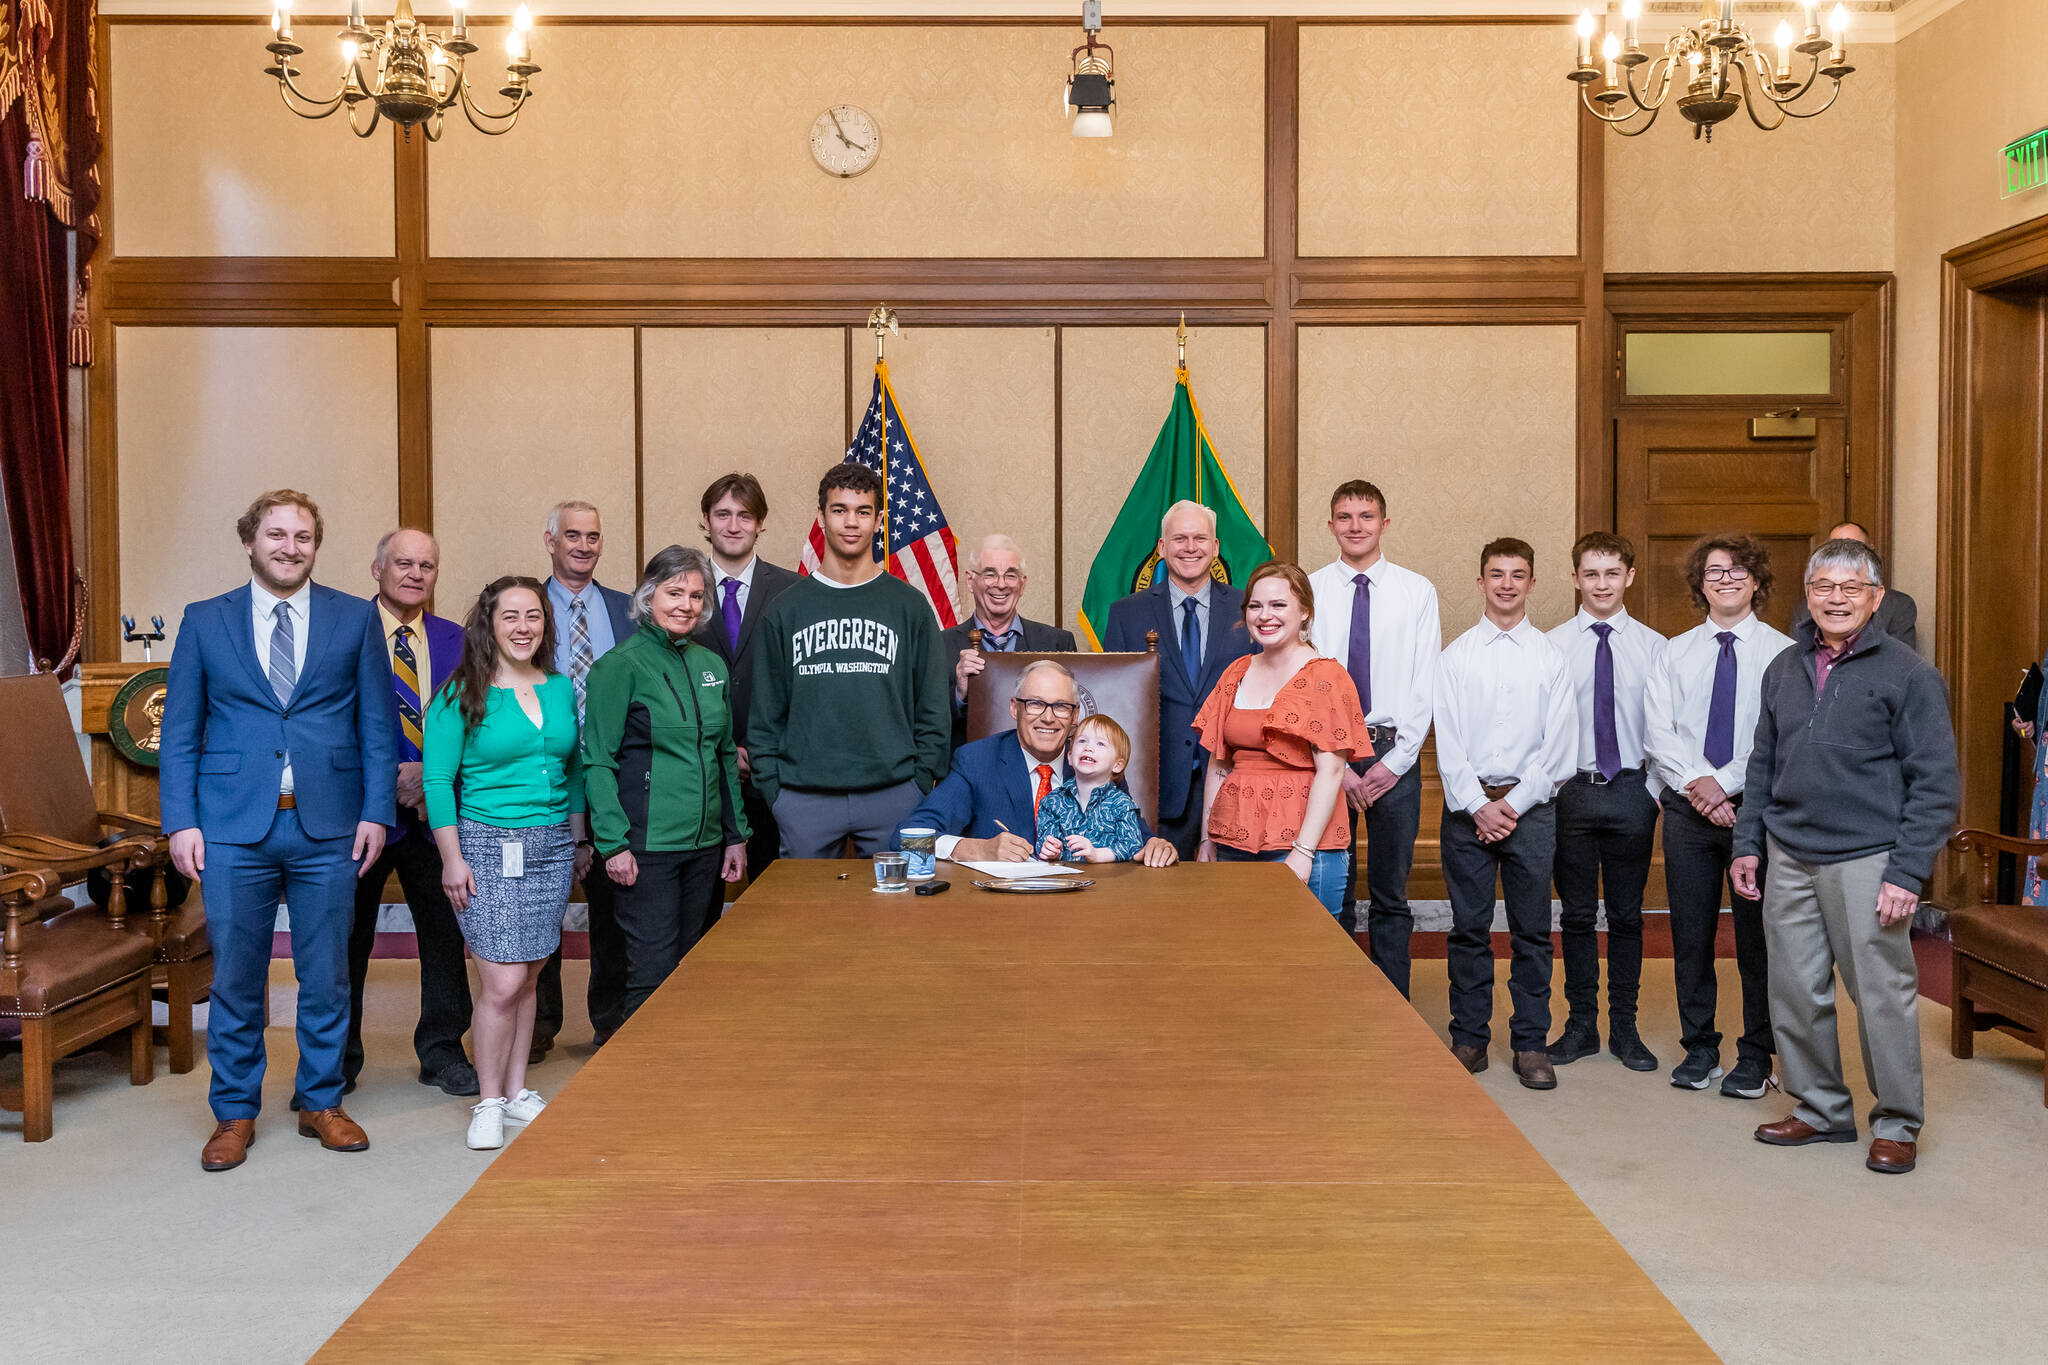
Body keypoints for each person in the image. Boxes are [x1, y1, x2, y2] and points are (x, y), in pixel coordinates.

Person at [161, 489, 395, 1173]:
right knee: (236, 976)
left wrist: (377, 809)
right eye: (276, 534)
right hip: (233, 827)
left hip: (329, 825)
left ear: (315, 546)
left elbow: (378, 727)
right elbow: (179, 734)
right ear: (249, 541)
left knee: (327, 972)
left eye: (303, 536)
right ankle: (234, 1113)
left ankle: (320, 1100)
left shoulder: (355, 618)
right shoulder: (205, 621)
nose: (290, 547)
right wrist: (181, 821)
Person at [1735, 538, 1959, 1175]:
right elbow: (1761, 764)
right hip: (1789, 852)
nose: (1835, 599)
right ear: (1807, 595)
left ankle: (1897, 1122)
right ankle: (1820, 1108)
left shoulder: (1909, 674)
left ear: (1876, 598)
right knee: (1796, 988)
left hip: (1869, 858)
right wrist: (1749, 842)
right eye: (1823, 587)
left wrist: (1908, 870)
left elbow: (1936, 782)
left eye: (1850, 588)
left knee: (1882, 994)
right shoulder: (1783, 668)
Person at [423, 576, 589, 1152]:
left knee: (533, 974)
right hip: (486, 845)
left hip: (550, 847)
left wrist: (578, 842)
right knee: (502, 981)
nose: (524, 627)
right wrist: (451, 859)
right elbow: (438, 782)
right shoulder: (460, 693)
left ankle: (517, 1091)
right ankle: (488, 1100)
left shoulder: (560, 689)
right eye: (511, 616)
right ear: (489, 625)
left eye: (534, 617)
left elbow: (571, 774)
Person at [1642, 535, 1794, 1098]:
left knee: (1757, 939)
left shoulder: (1783, 654)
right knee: (1691, 932)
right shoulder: (1673, 652)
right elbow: (1658, 730)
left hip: (1755, 810)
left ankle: (1757, 1053)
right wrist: (1698, 788)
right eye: (1713, 572)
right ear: (1699, 584)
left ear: (1756, 581)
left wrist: (1723, 784)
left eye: (1737, 571)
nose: (1725, 580)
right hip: (1687, 811)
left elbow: (1776, 736)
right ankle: (1699, 1046)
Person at [749, 462, 951, 858]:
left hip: (895, 794)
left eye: (863, 511)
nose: (851, 522)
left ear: (879, 520)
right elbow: (765, 716)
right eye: (839, 510)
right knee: (809, 917)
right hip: (804, 799)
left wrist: (921, 782)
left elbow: (933, 707)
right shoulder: (785, 609)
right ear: (821, 518)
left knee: (902, 915)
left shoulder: (909, 606)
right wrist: (777, 795)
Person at [583, 545, 749, 1026]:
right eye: (675, 593)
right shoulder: (619, 666)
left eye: (697, 596)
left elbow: (722, 753)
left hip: (706, 848)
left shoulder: (710, 665)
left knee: (694, 966)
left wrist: (736, 835)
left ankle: (683, 1069)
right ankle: (637, 1082)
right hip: (646, 849)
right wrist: (612, 845)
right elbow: (596, 762)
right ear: (649, 597)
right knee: (651, 973)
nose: (686, 605)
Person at [1433, 537, 1576, 1091]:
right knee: (1468, 929)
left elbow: (1559, 749)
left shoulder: (1550, 658)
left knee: (1532, 932)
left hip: (1531, 811)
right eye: (1497, 574)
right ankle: (1469, 1037)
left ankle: (1529, 1043)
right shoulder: (1455, 657)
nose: (1508, 584)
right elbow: (1446, 745)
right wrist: (1478, 806)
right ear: (1480, 582)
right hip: (1467, 812)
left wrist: (1510, 806)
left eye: (1519, 575)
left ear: (1533, 584)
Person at [343, 528, 477, 1101]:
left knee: (446, 936)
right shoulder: (343, 634)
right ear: (377, 569)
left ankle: (442, 1050)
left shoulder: (460, 640)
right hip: (360, 817)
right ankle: (337, 1060)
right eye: (403, 563)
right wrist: (386, 781)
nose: (415, 574)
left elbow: (478, 720)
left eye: (427, 565)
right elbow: (325, 720)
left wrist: (429, 779)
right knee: (345, 941)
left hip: (435, 814)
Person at [1307, 480, 1439, 991]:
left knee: (1390, 893)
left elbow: (1424, 683)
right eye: (1344, 517)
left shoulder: (1416, 591)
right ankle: (1338, 999)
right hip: (1327, 755)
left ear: (1385, 524)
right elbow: (1305, 682)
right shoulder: (1310, 591)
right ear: (1331, 525)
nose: (1355, 526)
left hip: (1393, 754)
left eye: (1366, 516)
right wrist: (1333, 764)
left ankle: (1393, 1004)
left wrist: (1394, 763)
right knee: (1332, 889)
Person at [1544, 532, 1664, 1073]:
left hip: (1631, 793)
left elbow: (1666, 730)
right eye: (1590, 574)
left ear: (1629, 577)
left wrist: (1652, 793)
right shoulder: (1550, 647)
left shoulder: (1657, 648)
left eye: (1611, 573)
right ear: (1575, 579)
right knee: (1573, 916)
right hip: (1571, 793)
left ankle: (1625, 1027)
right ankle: (1580, 1025)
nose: (1601, 584)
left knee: (1627, 916)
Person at [1192, 561, 1368, 917]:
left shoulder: (1326, 677)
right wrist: (1207, 838)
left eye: (1278, 605)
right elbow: (1218, 762)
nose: (1264, 615)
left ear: (1304, 611)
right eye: (1255, 606)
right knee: (1239, 955)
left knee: (1306, 961)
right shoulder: (1236, 672)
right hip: (1233, 839)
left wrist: (1303, 853)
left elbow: (1332, 773)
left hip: (1304, 846)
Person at [896, 659, 1178, 866]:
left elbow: (1136, 837)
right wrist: (977, 850)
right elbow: (903, 841)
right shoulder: (976, 762)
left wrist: (1155, 845)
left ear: (1075, 714)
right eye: (1034, 703)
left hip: (1084, 913)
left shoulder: (1096, 766)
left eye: (1060, 706)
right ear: (1014, 708)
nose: (1047, 717)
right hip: (1001, 914)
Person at [533, 499, 634, 1057]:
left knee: (613, 905)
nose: (583, 545)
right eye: (571, 535)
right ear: (549, 540)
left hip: (608, 775)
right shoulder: (522, 607)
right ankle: (541, 1023)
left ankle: (611, 1019)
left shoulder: (626, 610)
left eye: (593, 536)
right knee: (539, 902)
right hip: (540, 778)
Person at [1103, 500, 1257, 860]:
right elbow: (1113, 706)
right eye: (1180, 538)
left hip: (1233, 782)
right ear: (1161, 547)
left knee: (1224, 904)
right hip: (1154, 787)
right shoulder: (1126, 613)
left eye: (1200, 538)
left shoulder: (1248, 609)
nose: (1191, 547)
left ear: (1215, 548)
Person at [690, 473, 798, 883]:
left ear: (760, 523)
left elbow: (802, 685)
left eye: (744, 515)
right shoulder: (680, 590)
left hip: (774, 775)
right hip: (700, 776)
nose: (733, 525)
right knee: (698, 912)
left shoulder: (793, 591)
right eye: (723, 514)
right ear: (706, 520)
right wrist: (721, 748)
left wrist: (762, 749)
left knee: (778, 908)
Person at [943, 534, 1076, 745]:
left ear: (1022, 584)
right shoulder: (939, 645)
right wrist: (959, 694)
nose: (1001, 584)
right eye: (990, 573)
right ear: (970, 581)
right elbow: (925, 727)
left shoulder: (1058, 643)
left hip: (1040, 773)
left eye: (1011, 575)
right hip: (968, 772)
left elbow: (1075, 721)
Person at [1036, 714, 1149, 864]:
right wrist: (1051, 850)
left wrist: (1097, 855)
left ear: (1117, 765)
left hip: (1110, 882)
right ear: (1069, 757)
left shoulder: (1122, 804)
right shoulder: (1052, 802)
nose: (1088, 747)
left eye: (1101, 744)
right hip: (1066, 880)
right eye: (1082, 741)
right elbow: (1044, 842)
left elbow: (1133, 846)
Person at [1789, 522, 1917, 652]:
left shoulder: (1898, 606)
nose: (1837, 599)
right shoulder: (1804, 609)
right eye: (1835, 549)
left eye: (1853, 550)